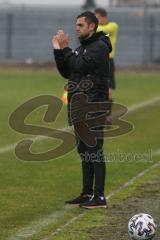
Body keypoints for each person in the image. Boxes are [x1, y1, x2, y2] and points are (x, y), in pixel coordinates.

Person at [52, 11, 112, 209]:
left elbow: (80, 65)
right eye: (76, 25)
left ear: (92, 26)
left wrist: (67, 48)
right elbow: (67, 71)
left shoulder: (100, 46)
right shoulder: (82, 48)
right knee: (84, 150)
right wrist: (58, 51)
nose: (76, 28)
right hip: (78, 106)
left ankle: (100, 197)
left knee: (94, 150)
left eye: (80, 25)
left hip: (93, 105)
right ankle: (87, 193)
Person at [95, 8, 119, 125]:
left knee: (108, 89)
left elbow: (102, 31)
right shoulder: (95, 28)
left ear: (104, 17)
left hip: (108, 61)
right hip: (96, 62)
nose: (96, 20)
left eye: (97, 18)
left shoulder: (113, 26)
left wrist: (92, 27)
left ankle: (107, 116)